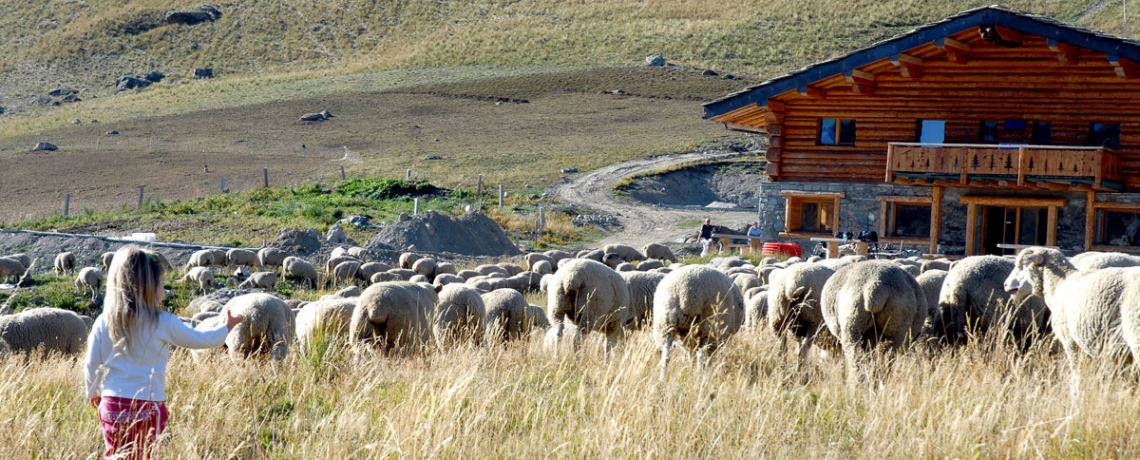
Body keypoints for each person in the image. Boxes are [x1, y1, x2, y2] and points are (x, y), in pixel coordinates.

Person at [84, 246, 243, 460]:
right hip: (147, 407)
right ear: (149, 287)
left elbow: (91, 363)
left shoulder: (105, 321)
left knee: (116, 455)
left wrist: (93, 392)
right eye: (162, 283)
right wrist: (227, 327)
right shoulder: (163, 322)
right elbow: (200, 340)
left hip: (112, 404)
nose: (164, 289)